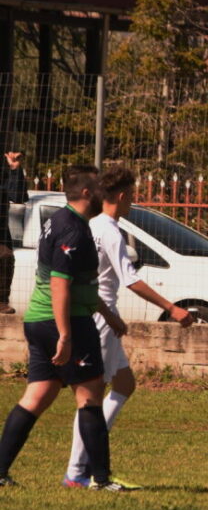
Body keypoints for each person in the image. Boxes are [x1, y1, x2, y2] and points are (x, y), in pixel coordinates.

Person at [62, 166, 195, 488]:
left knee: (124, 385)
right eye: (132, 196)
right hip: (101, 319)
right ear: (121, 197)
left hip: (101, 316)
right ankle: (78, 472)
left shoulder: (91, 225)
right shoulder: (109, 230)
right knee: (91, 399)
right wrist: (172, 308)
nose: (133, 202)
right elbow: (130, 279)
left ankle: (81, 469)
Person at [0, 166, 131, 490]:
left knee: (36, 396)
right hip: (65, 321)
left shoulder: (58, 220)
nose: (105, 193)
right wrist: (66, 334)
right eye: (100, 188)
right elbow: (60, 283)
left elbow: (82, 284)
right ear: (87, 193)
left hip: (40, 319)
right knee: (90, 397)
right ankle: (98, 479)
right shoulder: (74, 229)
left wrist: (108, 315)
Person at [0, 150, 29, 314]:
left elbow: (18, 196)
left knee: (5, 257)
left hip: (2, 232)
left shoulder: (5, 177)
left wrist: (15, 168)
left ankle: (2, 301)